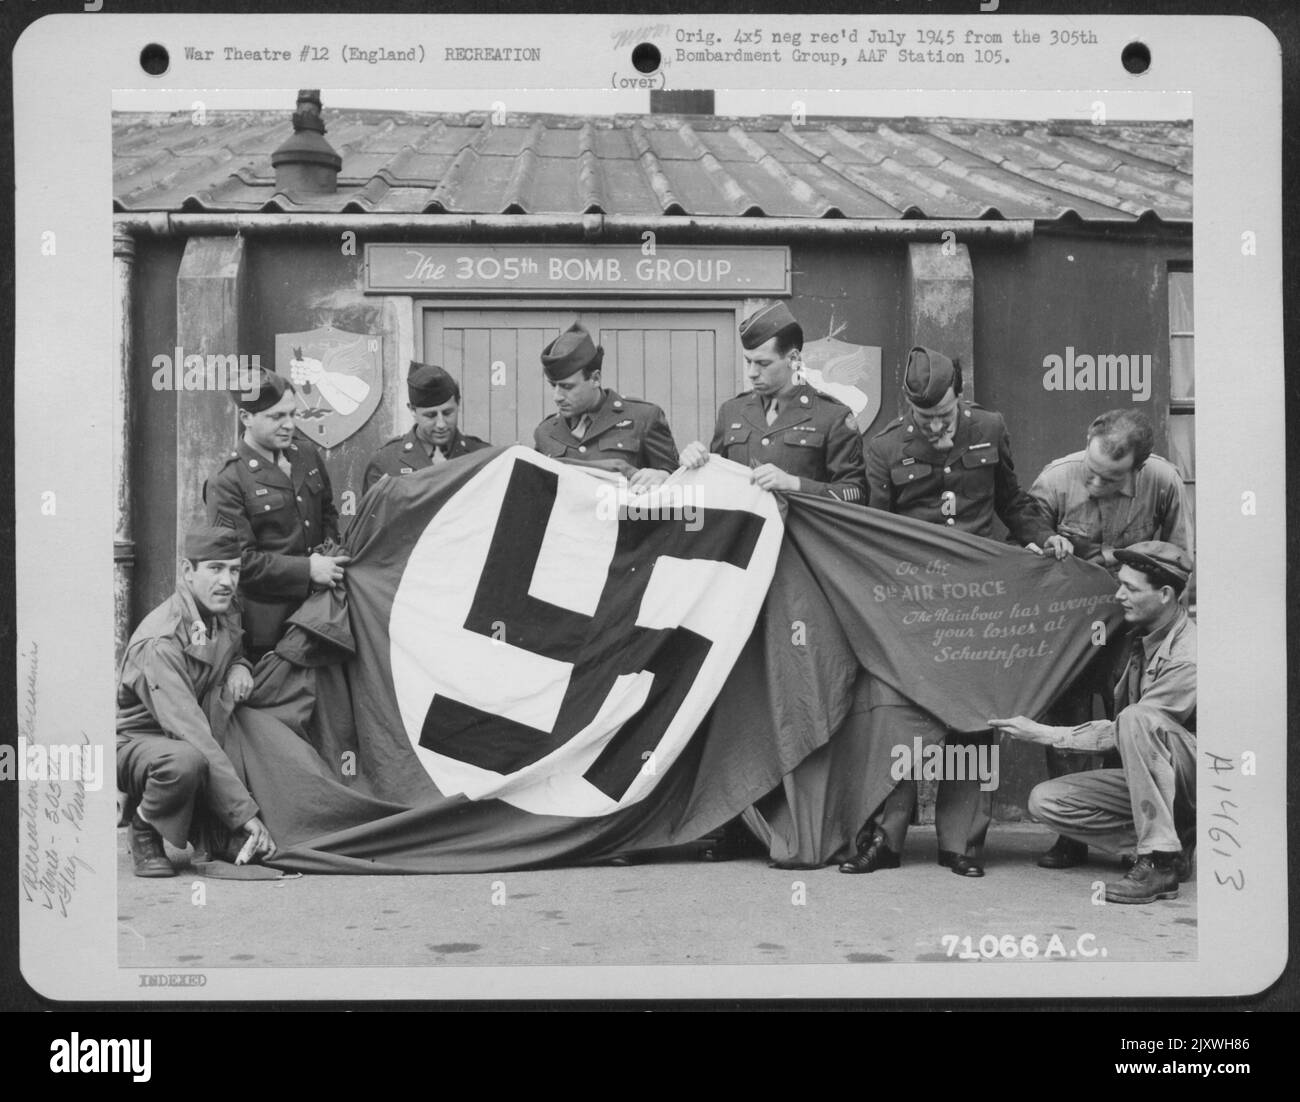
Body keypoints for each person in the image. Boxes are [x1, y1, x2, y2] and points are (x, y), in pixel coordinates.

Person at [840, 345, 1054, 878]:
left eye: (943, 417)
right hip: (914, 603)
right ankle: (885, 840)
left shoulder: (991, 426)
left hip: (977, 604)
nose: (935, 430)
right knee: (900, 718)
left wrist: (1045, 538)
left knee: (976, 719)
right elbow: (876, 532)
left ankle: (962, 843)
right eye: (924, 419)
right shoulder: (886, 447)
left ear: (960, 394)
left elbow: (1012, 501)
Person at [1028, 408, 1192, 869]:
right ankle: (1069, 837)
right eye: (1092, 472)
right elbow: (1024, 539)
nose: (1095, 484)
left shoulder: (1163, 482)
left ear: (1138, 468)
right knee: (1066, 720)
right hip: (1070, 628)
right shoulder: (1056, 479)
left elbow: (1179, 560)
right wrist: (1042, 542)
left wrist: (1166, 635)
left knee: (1128, 722)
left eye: (1110, 478)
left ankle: (1132, 833)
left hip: (1131, 628)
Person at [991, 541, 1196, 904]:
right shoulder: (1138, 637)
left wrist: (1043, 733)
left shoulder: (1188, 656)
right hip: (1160, 782)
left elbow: (1128, 729)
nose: (1119, 595)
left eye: (1131, 589)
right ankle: (1174, 844)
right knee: (1047, 801)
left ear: (1165, 594)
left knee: (1138, 718)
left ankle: (1159, 862)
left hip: (1196, 782)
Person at [117, 526, 276, 877]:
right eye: (216, 568)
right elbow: (190, 732)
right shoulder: (160, 641)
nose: (227, 581)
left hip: (186, 732)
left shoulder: (220, 611)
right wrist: (244, 814)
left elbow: (228, 651)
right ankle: (144, 826)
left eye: (234, 570)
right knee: (185, 761)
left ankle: (214, 832)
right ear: (188, 572)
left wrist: (239, 666)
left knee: (240, 724)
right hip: (140, 743)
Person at [204, 368, 348, 659]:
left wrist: (328, 557)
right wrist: (308, 569)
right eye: (276, 417)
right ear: (246, 418)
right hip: (269, 632)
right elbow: (240, 562)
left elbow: (327, 515)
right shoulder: (228, 481)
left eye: (292, 414)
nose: (289, 425)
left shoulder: (306, 455)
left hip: (323, 616)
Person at [679, 300, 867, 504]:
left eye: (763, 363)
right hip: (747, 533)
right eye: (748, 362)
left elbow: (855, 494)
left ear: (793, 358)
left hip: (799, 534)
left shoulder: (832, 416)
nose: (752, 373)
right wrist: (694, 465)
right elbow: (716, 486)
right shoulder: (731, 411)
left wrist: (795, 484)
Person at [533, 321, 679, 488]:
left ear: (595, 379)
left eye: (567, 387)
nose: (557, 396)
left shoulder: (643, 417)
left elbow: (678, 480)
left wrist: (663, 475)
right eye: (553, 385)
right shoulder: (546, 432)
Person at [362, 361, 490, 494]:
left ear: (458, 405)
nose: (441, 424)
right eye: (431, 415)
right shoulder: (386, 462)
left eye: (447, 413)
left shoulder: (483, 455)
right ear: (412, 411)